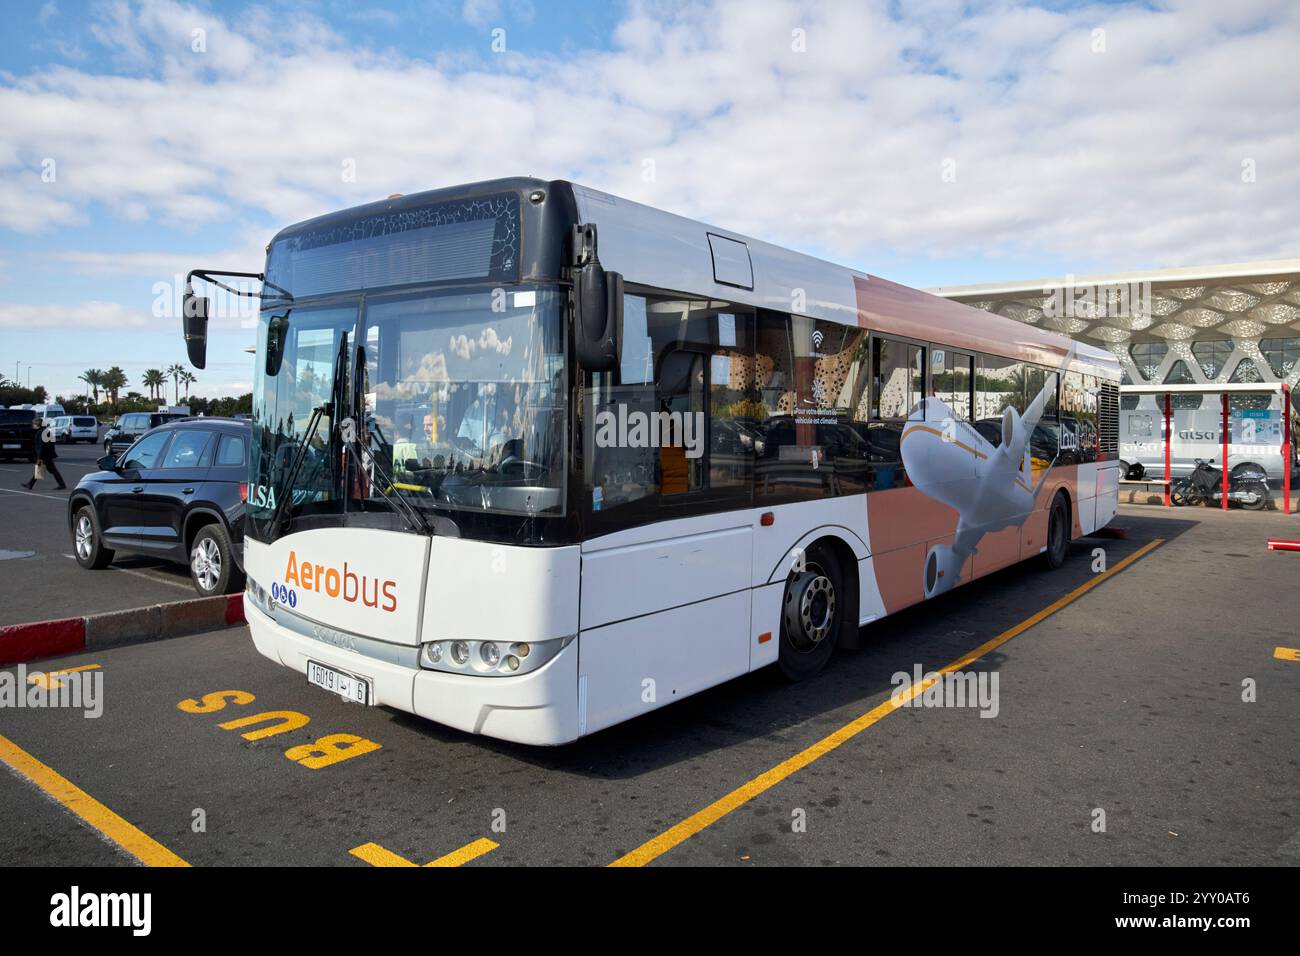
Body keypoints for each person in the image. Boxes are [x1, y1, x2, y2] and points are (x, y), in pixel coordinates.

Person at [22, 420, 67, 491]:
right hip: (47, 455)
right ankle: (30, 484)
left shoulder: (41, 433)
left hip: (44, 455)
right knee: (45, 470)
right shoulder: (45, 431)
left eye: (34, 424)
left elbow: (41, 446)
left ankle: (62, 484)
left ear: (38, 425)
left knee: (50, 470)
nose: (33, 425)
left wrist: (39, 457)